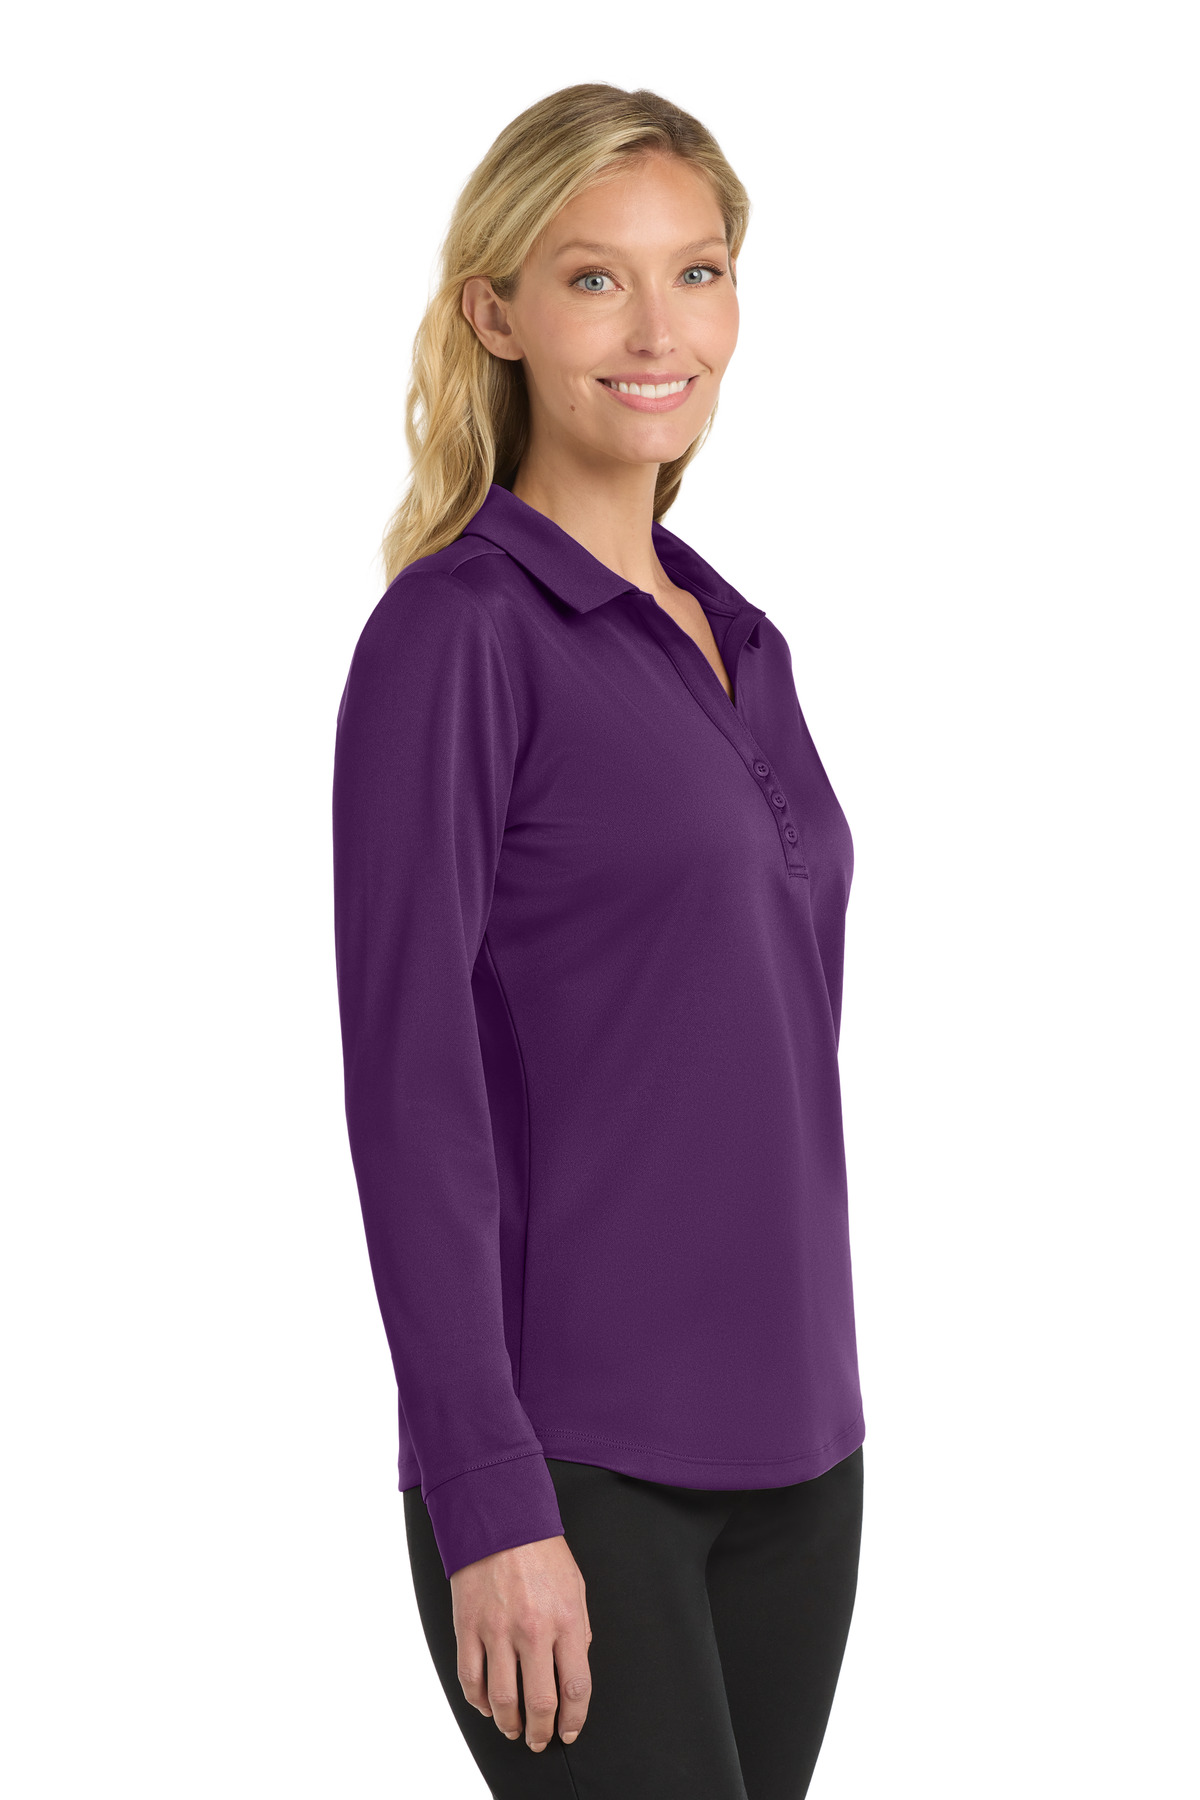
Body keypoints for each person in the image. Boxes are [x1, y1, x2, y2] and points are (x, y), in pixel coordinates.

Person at [332, 83, 866, 1800]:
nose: (659, 332)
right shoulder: (458, 634)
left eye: (697, 273)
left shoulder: (740, 636)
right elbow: (407, 1086)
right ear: (495, 313)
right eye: (593, 280)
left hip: (803, 1453)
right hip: (571, 1461)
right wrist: (486, 1493)